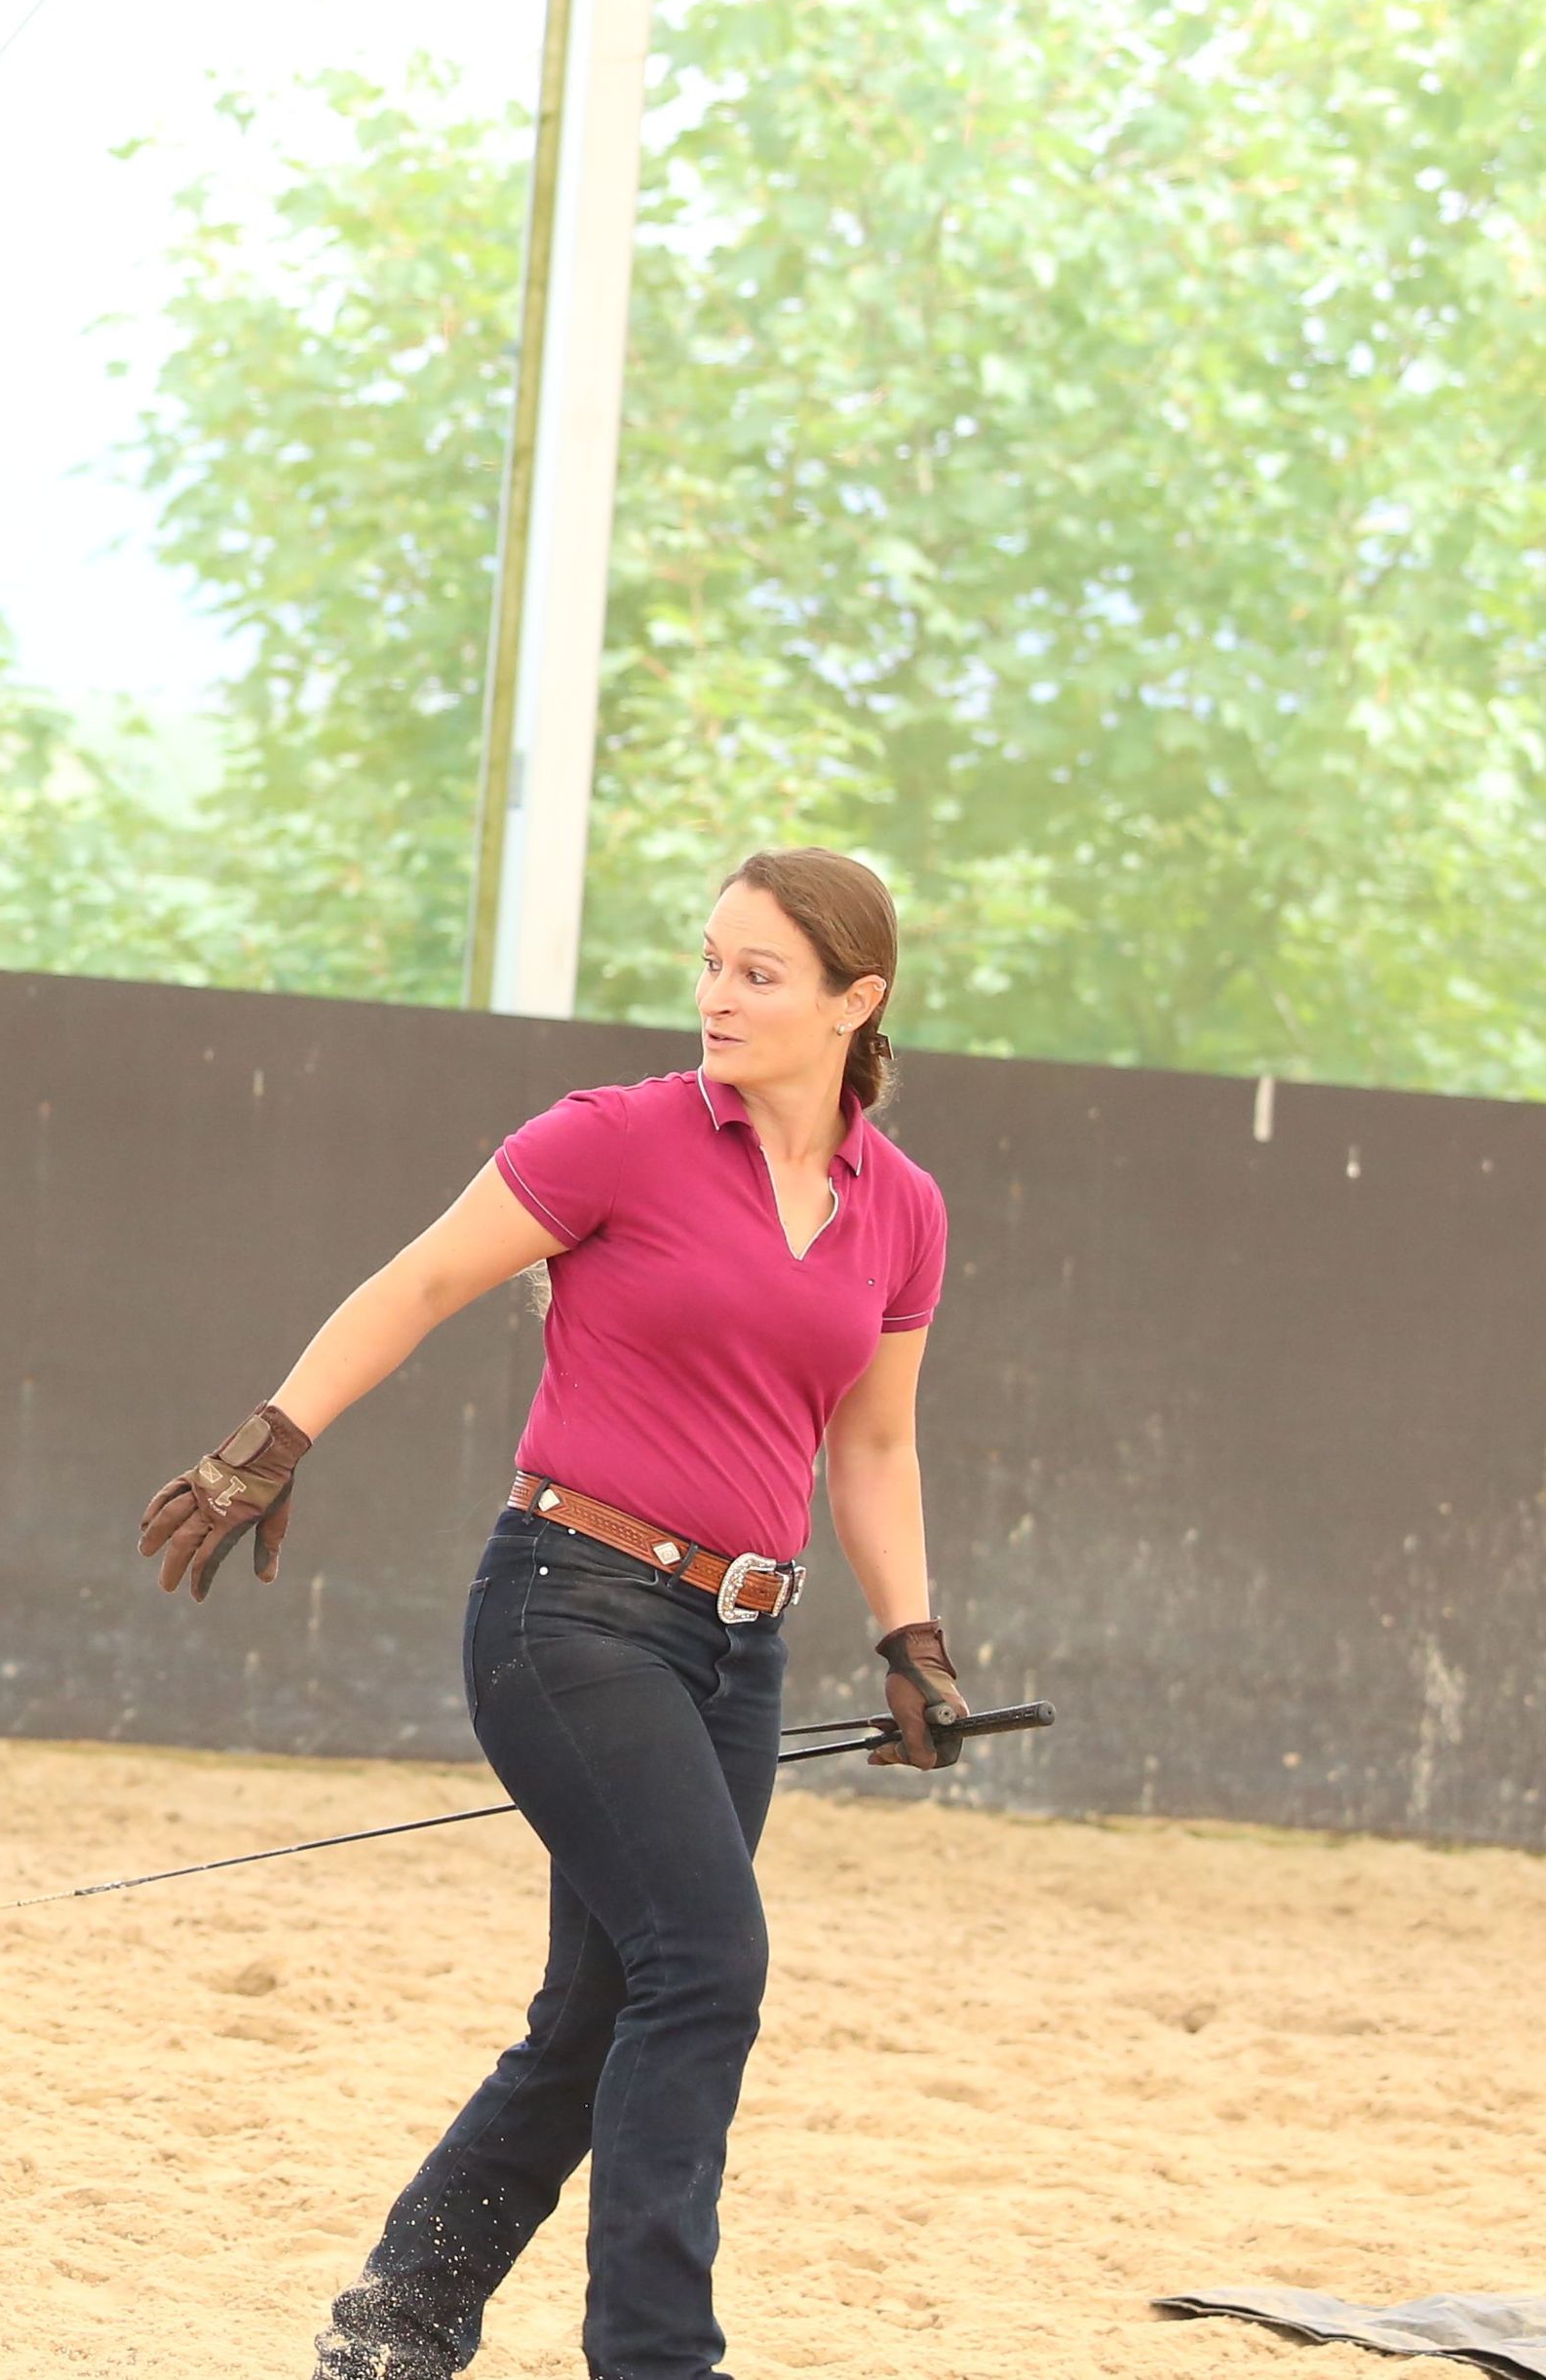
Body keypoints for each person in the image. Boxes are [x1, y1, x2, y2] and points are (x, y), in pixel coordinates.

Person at [135, 848, 974, 2380]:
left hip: (741, 1649)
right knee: (707, 1962)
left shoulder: (901, 1209)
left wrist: (912, 1640)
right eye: (711, 960)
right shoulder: (619, 1140)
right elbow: (424, 1277)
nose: (717, 993)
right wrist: (274, 1438)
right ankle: (660, 2360)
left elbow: (874, 1440)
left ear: (859, 1002)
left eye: (759, 972)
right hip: (568, 1608)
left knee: (602, 2010)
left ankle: (398, 2321)